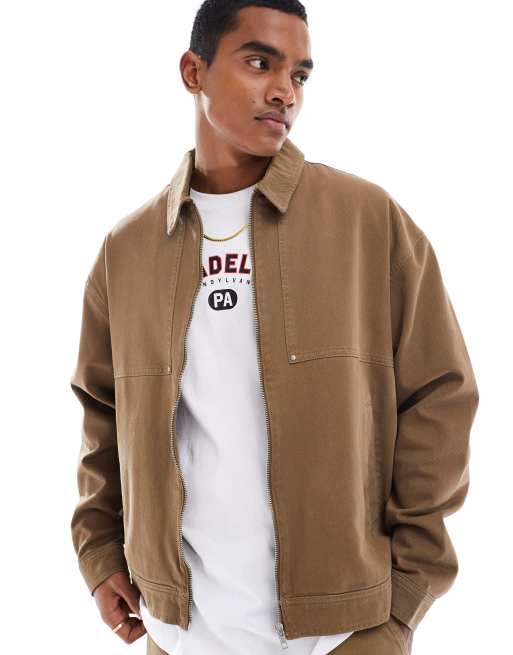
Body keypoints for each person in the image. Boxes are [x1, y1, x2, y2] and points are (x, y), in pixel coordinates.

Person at [69, 1, 479, 654]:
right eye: (260, 62)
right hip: (179, 634)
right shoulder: (129, 249)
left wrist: (405, 596)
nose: (285, 91)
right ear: (193, 71)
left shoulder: (366, 220)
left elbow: (441, 394)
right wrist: (100, 553)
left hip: (343, 632)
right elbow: (102, 412)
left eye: (300, 74)